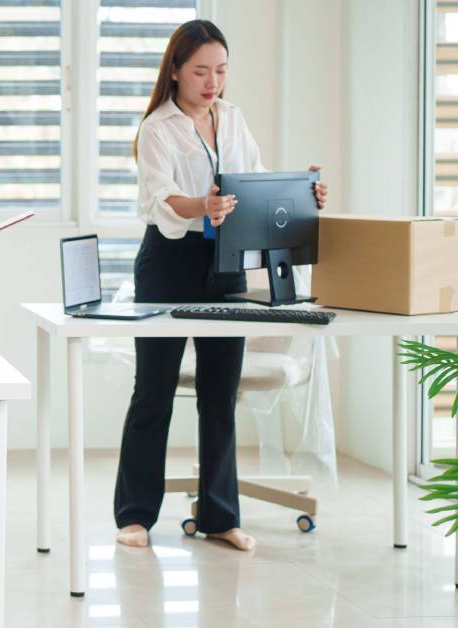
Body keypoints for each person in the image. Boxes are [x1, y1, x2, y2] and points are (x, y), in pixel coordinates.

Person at [113, 19, 328, 552]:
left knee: (219, 391)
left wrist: (304, 193)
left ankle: (219, 516)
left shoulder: (232, 119)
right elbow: (161, 199)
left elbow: (254, 185)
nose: (213, 82)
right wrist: (202, 206)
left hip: (225, 264)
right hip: (168, 264)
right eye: (202, 71)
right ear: (177, 72)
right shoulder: (157, 129)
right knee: (154, 392)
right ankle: (135, 516)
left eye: (222, 71)